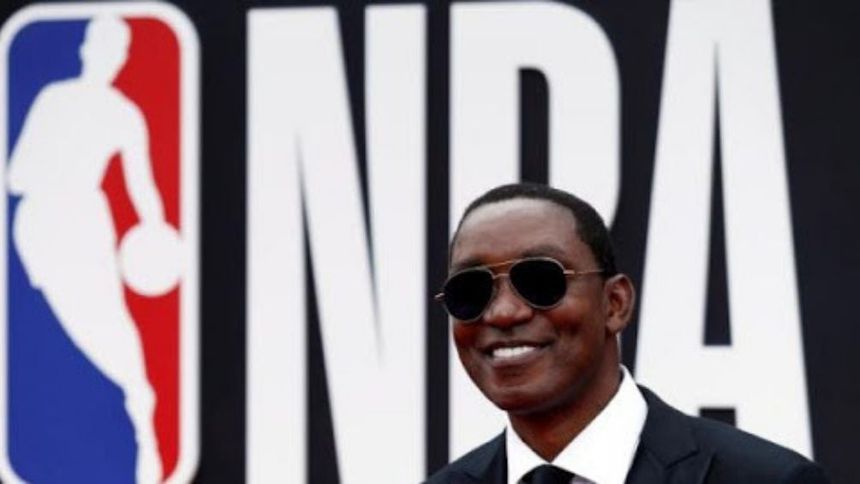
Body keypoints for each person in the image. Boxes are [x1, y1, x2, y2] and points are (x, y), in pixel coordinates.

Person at [426, 183, 827, 484]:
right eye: (470, 290)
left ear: (615, 303)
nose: (503, 312)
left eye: (541, 281)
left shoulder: (768, 479)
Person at [8, 15, 166, 484]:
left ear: (123, 58)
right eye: (103, 45)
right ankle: (132, 403)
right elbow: (16, 175)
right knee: (64, 328)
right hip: (41, 225)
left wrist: (156, 231)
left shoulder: (125, 114)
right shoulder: (53, 99)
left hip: (86, 224)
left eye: (118, 49)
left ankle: (142, 411)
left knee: (109, 319)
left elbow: (143, 187)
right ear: (87, 49)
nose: (109, 57)